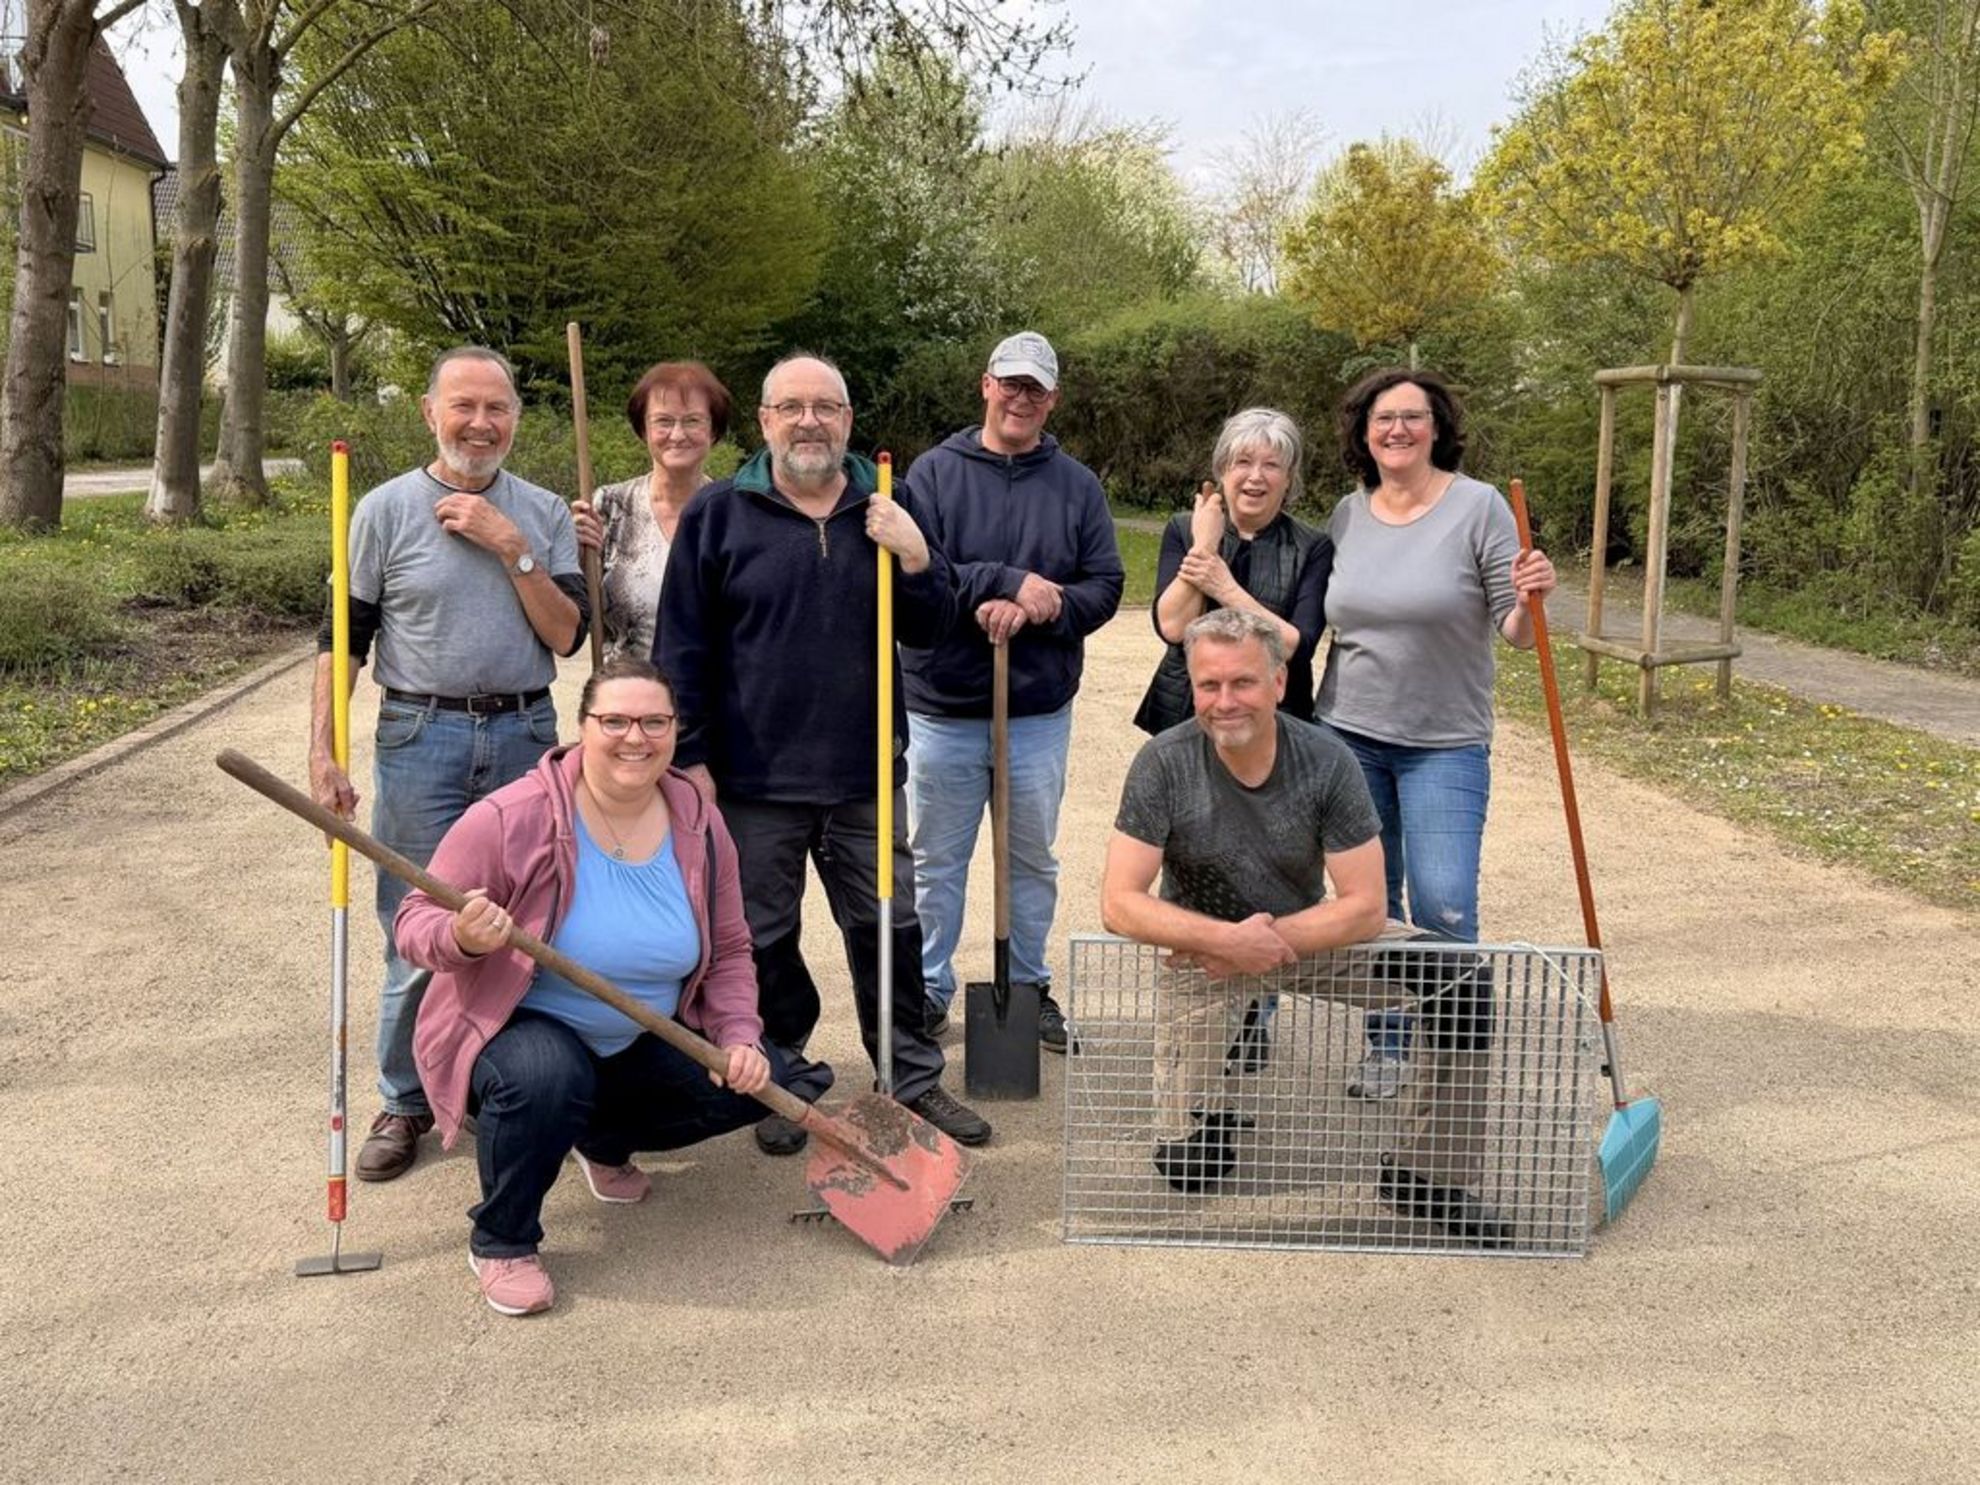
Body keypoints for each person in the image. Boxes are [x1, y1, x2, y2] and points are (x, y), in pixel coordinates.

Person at [395, 658, 819, 1316]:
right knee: (547, 1076)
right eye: (615, 721)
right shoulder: (513, 816)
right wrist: (464, 936)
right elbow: (414, 921)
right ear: (583, 726)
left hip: (640, 1032)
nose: (635, 738)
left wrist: (738, 1035)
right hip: (522, 1031)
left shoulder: (700, 823)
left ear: (675, 730)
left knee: (773, 1078)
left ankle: (599, 1140)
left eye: (654, 722)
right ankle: (503, 1238)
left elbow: (733, 948)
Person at [658, 353, 992, 1155]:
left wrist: (917, 557)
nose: (809, 420)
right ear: (765, 420)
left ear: (847, 419)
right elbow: (681, 646)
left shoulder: (889, 503)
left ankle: (909, 1075)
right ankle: (783, 1074)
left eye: (826, 407)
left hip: (866, 773)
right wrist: (691, 759)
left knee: (889, 926)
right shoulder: (719, 514)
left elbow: (933, 626)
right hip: (753, 779)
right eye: (792, 407)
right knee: (761, 935)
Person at [1100, 609, 1509, 1246]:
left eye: (1243, 682)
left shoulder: (1325, 760)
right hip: (1203, 957)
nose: (1225, 702)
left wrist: (1266, 945)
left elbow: (1366, 905)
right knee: (1189, 1168)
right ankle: (1212, 1108)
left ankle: (1429, 1175)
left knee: (1459, 978)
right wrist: (1226, 943)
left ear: (1278, 682)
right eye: (1210, 685)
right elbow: (1119, 903)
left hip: (1307, 939)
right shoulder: (1163, 762)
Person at [307, 346, 588, 1183]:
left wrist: (512, 547)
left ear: (516, 419)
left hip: (524, 734)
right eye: (463, 405)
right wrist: (323, 749)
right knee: (416, 925)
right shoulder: (384, 511)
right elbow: (343, 639)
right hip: (420, 735)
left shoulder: (539, 511)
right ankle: (404, 1099)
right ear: (430, 412)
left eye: (496, 408)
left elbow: (566, 634)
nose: (480, 423)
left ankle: (510, 1087)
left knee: (530, 921)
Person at [1319, 368, 1555, 1102]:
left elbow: (1516, 631)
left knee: (1444, 903)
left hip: (1445, 742)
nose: (1397, 429)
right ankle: (1387, 1046)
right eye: (1383, 418)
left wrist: (1532, 598)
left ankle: (1452, 1063)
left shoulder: (1479, 508)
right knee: (1372, 904)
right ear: (1364, 433)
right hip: (1348, 735)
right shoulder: (1346, 515)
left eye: (1412, 417)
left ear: (1437, 428)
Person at [900, 331, 1124, 1049]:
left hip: (1035, 709)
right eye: (1011, 383)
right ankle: (928, 988)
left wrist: (1043, 605)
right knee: (936, 859)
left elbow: (1106, 584)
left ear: (1052, 399)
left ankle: (1027, 986)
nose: (1021, 399)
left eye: (1036, 388)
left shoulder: (1077, 486)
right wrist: (1001, 584)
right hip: (943, 705)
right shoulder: (933, 474)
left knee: (1030, 857)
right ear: (986, 385)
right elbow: (921, 571)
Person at [1135, 406, 1331, 735]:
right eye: (1243, 462)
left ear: (1288, 479)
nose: (1256, 476)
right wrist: (1204, 546)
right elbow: (1172, 627)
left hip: (1275, 718)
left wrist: (1223, 587)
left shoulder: (1313, 546)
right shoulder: (1184, 529)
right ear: (1223, 470)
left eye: (1271, 465)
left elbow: (1295, 648)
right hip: (1186, 710)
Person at [571, 361, 732, 662]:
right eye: (663, 421)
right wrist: (575, 552)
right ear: (643, 429)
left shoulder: (734, 511)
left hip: (714, 689)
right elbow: (576, 612)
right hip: (626, 687)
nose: (677, 434)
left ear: (713, 430)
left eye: (693, 421)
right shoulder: (609, 505)